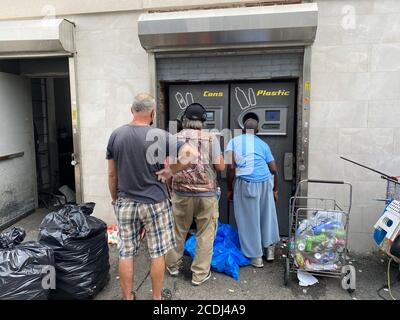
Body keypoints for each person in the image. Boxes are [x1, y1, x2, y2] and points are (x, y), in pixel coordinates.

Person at [106, 93, 196, 300]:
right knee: (157, 253)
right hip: (155, 203)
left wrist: (114, 199)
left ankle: (127, 298)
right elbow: (192, 155)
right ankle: (156, 298)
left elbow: (112, 174)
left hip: (125, 202)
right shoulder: (160, 135)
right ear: (152, 112)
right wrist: (171, 170)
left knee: (126, 253)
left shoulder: (116, 135)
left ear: (132, 110)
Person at [165, 103, 225, 286]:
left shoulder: (174, 138)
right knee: (205, 232)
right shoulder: (211, 138)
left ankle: (173, 266)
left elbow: (168, 167)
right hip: (207, 194)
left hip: (181, 193)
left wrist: (170, 189)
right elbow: (221, 166)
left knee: (178, 229)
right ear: (203, 121)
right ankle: (199, 274)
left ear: (185, 120)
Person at [225, 118, 279, 267]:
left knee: (249, 220)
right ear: (257, 131)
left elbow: (230, 168)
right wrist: (275, 190)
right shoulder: (263, 144)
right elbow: (274, 169)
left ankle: (256, 257)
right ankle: (269, 250)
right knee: (267, 216)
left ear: (243, 130)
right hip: (265, 182)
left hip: (246, 183)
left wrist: (229, 189)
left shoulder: (233, 142)